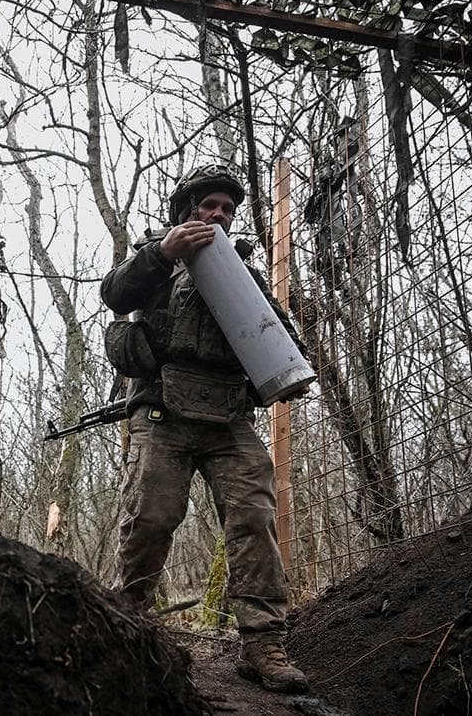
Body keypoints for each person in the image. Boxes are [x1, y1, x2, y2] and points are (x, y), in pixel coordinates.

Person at [100, 164, 310, 693]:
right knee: (150, 517)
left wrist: (291, 370)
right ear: (185, 210)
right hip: (162, 410)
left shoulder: (241, 272)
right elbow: (115, 294)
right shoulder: (155, 259)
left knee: (253, 518)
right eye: (208, 205)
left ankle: (263, 643)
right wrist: (161, 253)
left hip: (228, 416)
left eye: (227, 209)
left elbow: (272, 329)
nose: (217, 215)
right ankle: (130, 626)